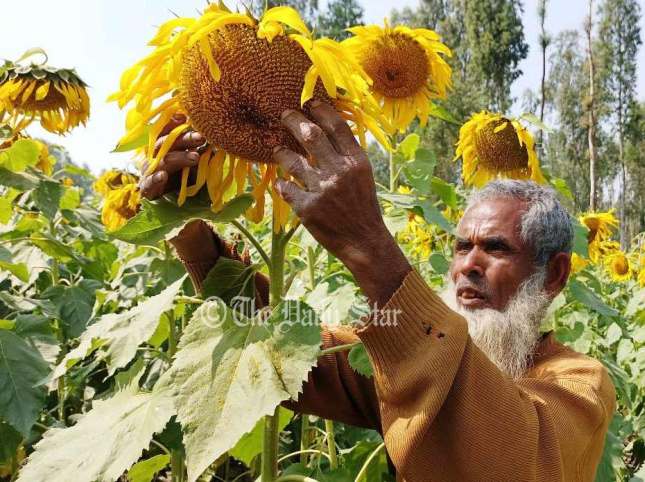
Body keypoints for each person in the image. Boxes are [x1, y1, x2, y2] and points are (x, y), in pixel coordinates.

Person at [141, 101, 616, 481]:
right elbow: (278, 349)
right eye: (461, 247)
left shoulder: (579, 381)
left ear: (552, 275)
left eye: (495, 248)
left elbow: (510, 461)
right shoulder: (405, 362)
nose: (467, 265)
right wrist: (190, 226)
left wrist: (368, 244)